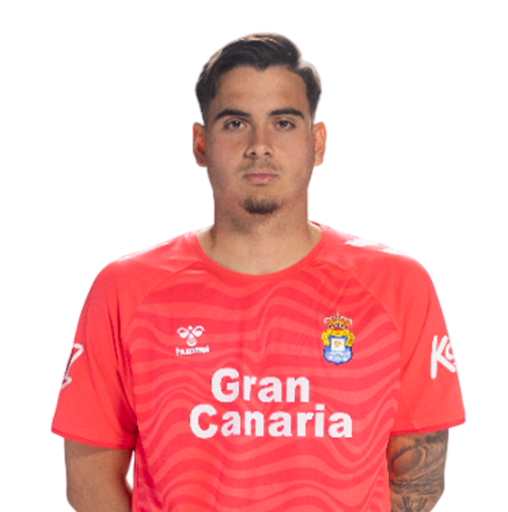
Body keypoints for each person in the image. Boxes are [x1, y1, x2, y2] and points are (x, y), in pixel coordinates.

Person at [50, 31, 467, 511]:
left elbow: (420, 480)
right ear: (200, 144)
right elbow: (90, 482)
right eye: (235, 123)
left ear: (318, 142)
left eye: (283, 123)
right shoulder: (124, 289)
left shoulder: (399, 285)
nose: (259, 146)